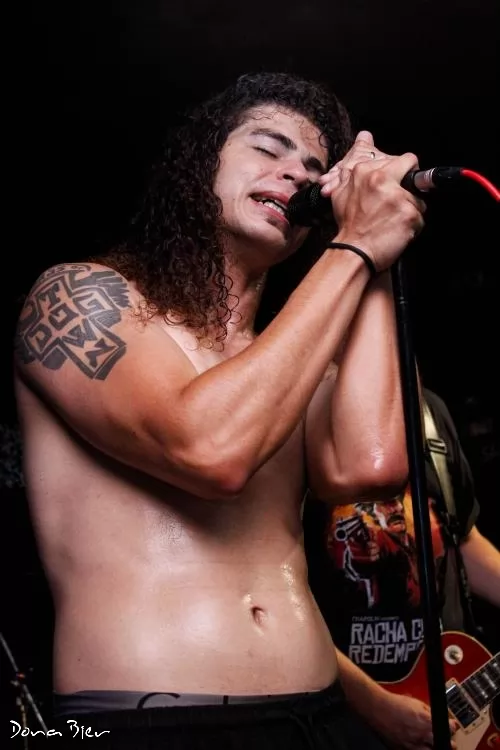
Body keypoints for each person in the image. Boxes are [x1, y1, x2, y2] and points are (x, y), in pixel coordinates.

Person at [13, 71, 426, 749]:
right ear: (201, 163)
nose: (296, 173)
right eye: (268, 148)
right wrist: (356, 245)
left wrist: (377, 255)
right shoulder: (82, 296)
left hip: (317, 713)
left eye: (315, 169)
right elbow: (210, 451)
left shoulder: (288, 357)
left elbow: (369, 467)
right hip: (151, 719)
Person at [304, 387, 500, 749]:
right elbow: (274, 595)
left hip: (448, 693)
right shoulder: (303, 413)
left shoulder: (429, 413)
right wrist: (376, 707)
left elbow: (461, 541)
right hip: (338, 714)